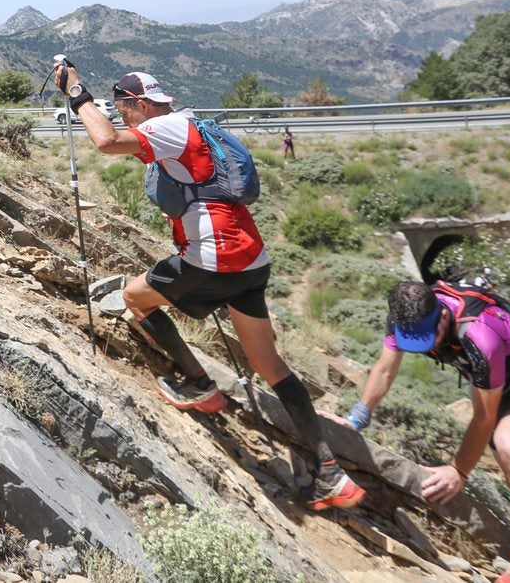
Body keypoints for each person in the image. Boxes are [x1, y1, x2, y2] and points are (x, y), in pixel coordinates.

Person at [52, 62, 365, 512]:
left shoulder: (162, 126)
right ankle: (330, 472)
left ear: (137, 104)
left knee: (134, 298)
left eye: (123, 110)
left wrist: (78, 93)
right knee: (270, 363)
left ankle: (199, 385)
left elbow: (105, 142)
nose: (123, 119)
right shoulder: (194, 122)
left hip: (214, 257)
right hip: (250, 256)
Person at [345, 280, 510, 582]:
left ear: (443, 317)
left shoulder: (480, 333)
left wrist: (458, 470)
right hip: (501, 388)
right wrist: (356, 418)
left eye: (429, 338)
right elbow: (383, 369)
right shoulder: (405, 314)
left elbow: (484, 416)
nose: (428, 346)